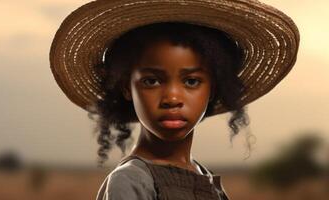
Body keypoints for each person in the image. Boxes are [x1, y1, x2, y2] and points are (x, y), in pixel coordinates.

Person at [49, 0, 300, 199]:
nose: (171, 98)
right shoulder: (131, 181)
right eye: (151, 81)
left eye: (191, 82)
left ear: (213, 88)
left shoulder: (205, 178)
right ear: (126, 87)